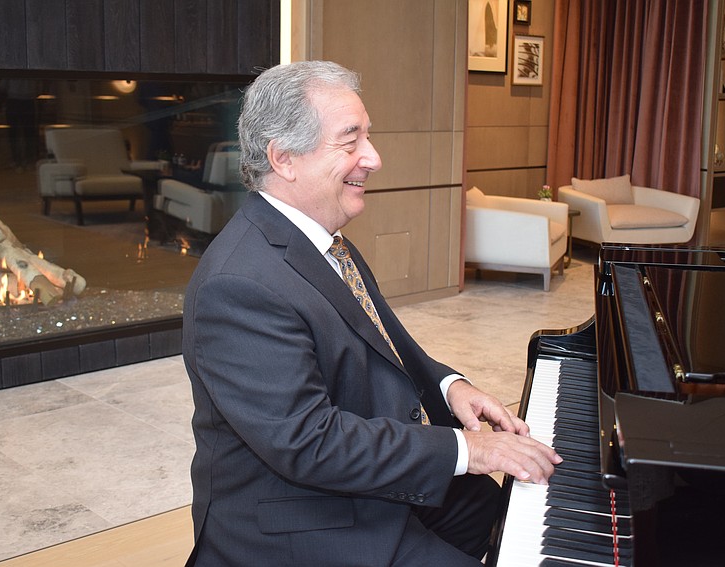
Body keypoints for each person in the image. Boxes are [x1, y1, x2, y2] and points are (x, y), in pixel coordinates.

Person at [182, 60, 561, 566]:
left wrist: (451, 387)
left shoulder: (325, 241)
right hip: (303, 519)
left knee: (521, 518)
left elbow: (387, 345)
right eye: (350, 140)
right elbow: (308, 442)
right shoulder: (237, 285)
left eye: (369, 136)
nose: (374, 157)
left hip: (369, 478)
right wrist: (471, 450)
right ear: (284, 158)